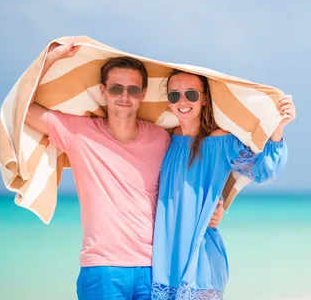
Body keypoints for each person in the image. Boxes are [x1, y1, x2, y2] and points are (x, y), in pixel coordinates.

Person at [25, 39, 223, 300]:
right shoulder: (79, 134)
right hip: (102, 268)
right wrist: (51, 58)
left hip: (155, 270)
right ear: (103, 91)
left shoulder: (162, 139)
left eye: (132, 89)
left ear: (142, 93)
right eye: (116, 88)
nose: (124, 96)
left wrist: (214, 206)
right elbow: (24, 109)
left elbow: (189, 176)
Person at [151, 69, 295, 299]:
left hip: (201, 255)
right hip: (165, 258)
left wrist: (279, 127)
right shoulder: (166, 139)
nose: (183, 101)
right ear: (168, 102)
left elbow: (262, 171)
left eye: (191, 93)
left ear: (205, 98)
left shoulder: (219, 140)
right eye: (175, 95)